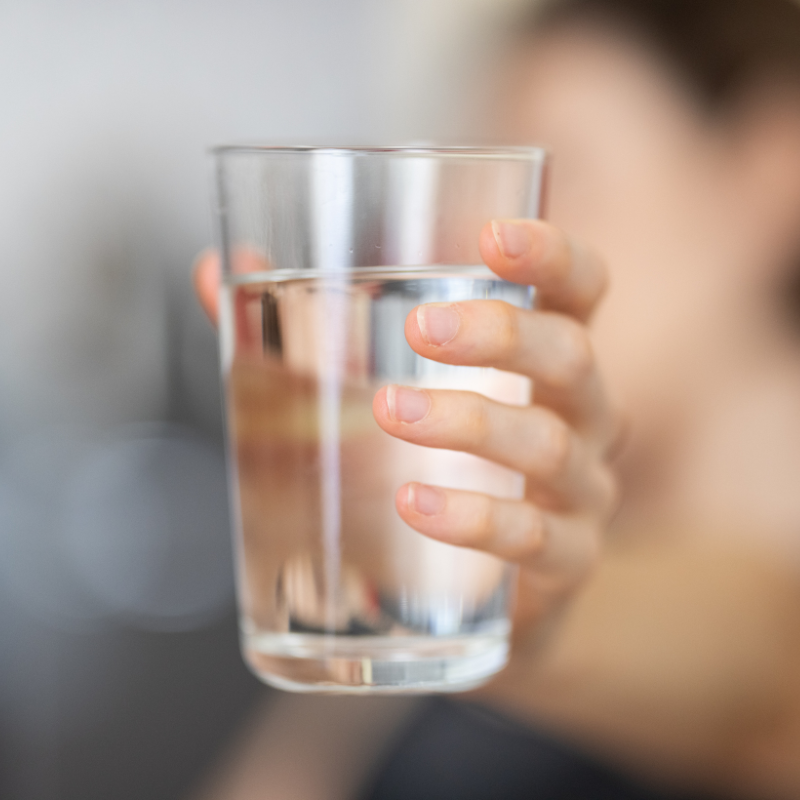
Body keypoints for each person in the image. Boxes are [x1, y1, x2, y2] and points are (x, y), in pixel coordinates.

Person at [191, 0, 800, 797]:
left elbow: (765, 657)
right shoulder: (456, 545)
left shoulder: (734, 619)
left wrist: (536, 628)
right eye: (474, 192)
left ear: (770, 165)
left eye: (563, 172)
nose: (481, 241)